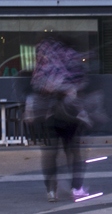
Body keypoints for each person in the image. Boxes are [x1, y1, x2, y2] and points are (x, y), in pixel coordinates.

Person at [27, 39, 90, 202]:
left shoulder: (44, 65)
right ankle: (76, 188)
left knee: (50, 154)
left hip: (50, 116)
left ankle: (51, 190)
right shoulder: (71, 59)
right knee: (74, 153)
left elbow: (37, 86)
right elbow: (81, 83)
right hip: (70, 116)